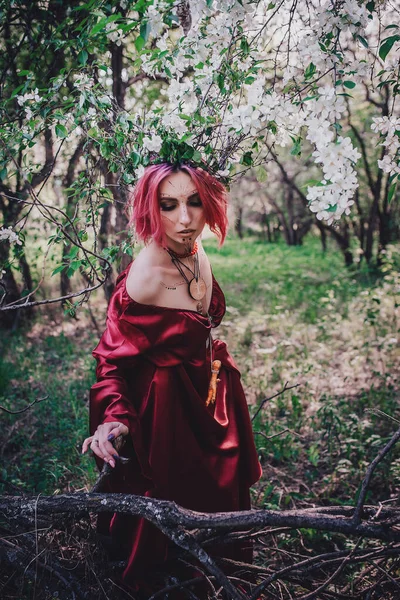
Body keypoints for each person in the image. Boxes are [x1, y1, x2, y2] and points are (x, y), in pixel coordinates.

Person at [82, 162, 262, 595]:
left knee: (214, 500)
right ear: (151, 209)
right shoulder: (145, 278)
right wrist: (115, 417)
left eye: (194, 202)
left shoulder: (194, 248)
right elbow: (111, 361)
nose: (185, 219)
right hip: (165, 410)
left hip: (205, 391)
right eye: (169, 205)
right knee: (172, 509)